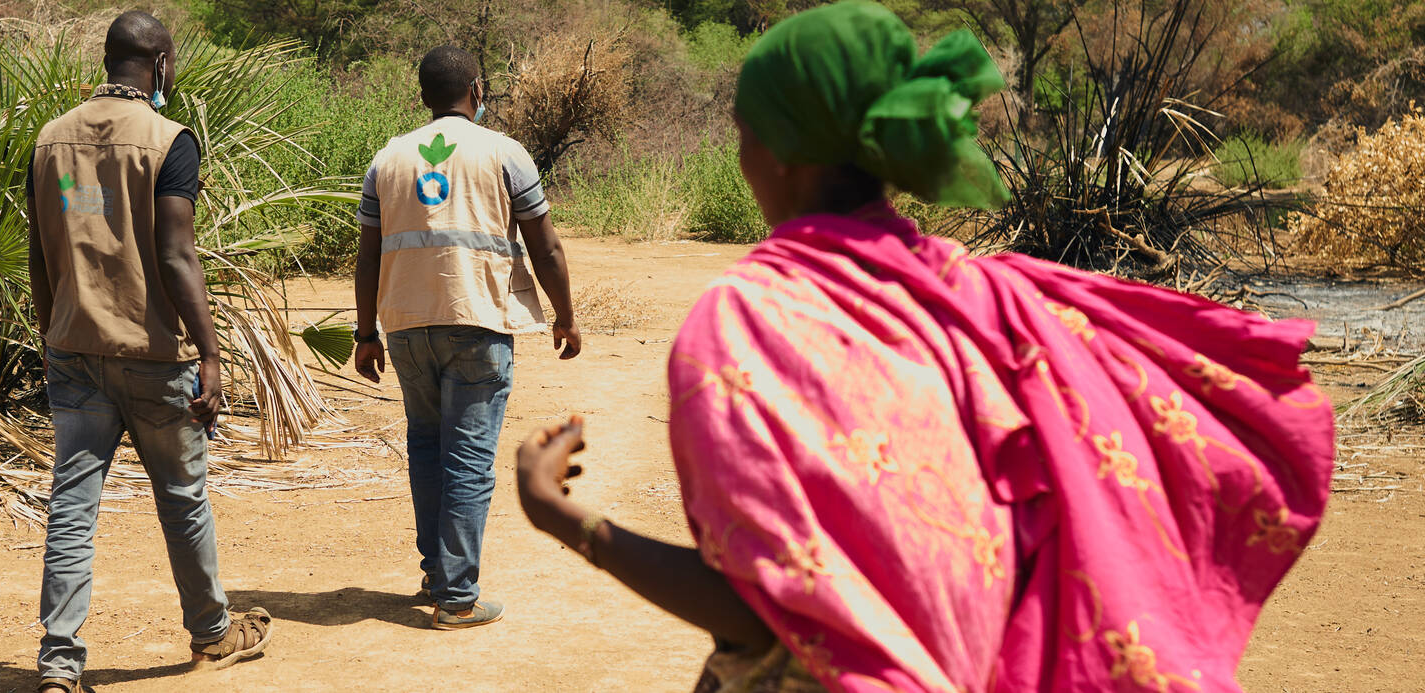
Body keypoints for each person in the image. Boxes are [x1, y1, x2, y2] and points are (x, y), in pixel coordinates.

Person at [513, 2, 1335, 690]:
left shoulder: (748, 322)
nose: (740, 154)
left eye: (746, 131)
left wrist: (567, 519)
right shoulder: (986, 296)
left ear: (789, 153)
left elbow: (767, 609)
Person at [25, 11, 272, 692]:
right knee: (183, 497)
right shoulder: (170, 142)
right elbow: (175, 253)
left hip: (74, 351)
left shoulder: (50, 141)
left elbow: (42, 255)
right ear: (160, 64)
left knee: (73, 505)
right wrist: (213, 355)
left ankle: (58, 663)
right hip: (157, 356)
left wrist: (53, 333)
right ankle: (214, 633)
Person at [351, 45, 582, 630]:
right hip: (478, 319)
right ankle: (456, 597)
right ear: (476, 91)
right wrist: (565, 315)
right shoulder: (504, 152)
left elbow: (368, 254)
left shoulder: (389, 159)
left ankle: (438, 572)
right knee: (469, 457)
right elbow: (545, 245)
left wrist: (364, 333)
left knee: (426, 448)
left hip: (405, 325)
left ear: (423, 95)